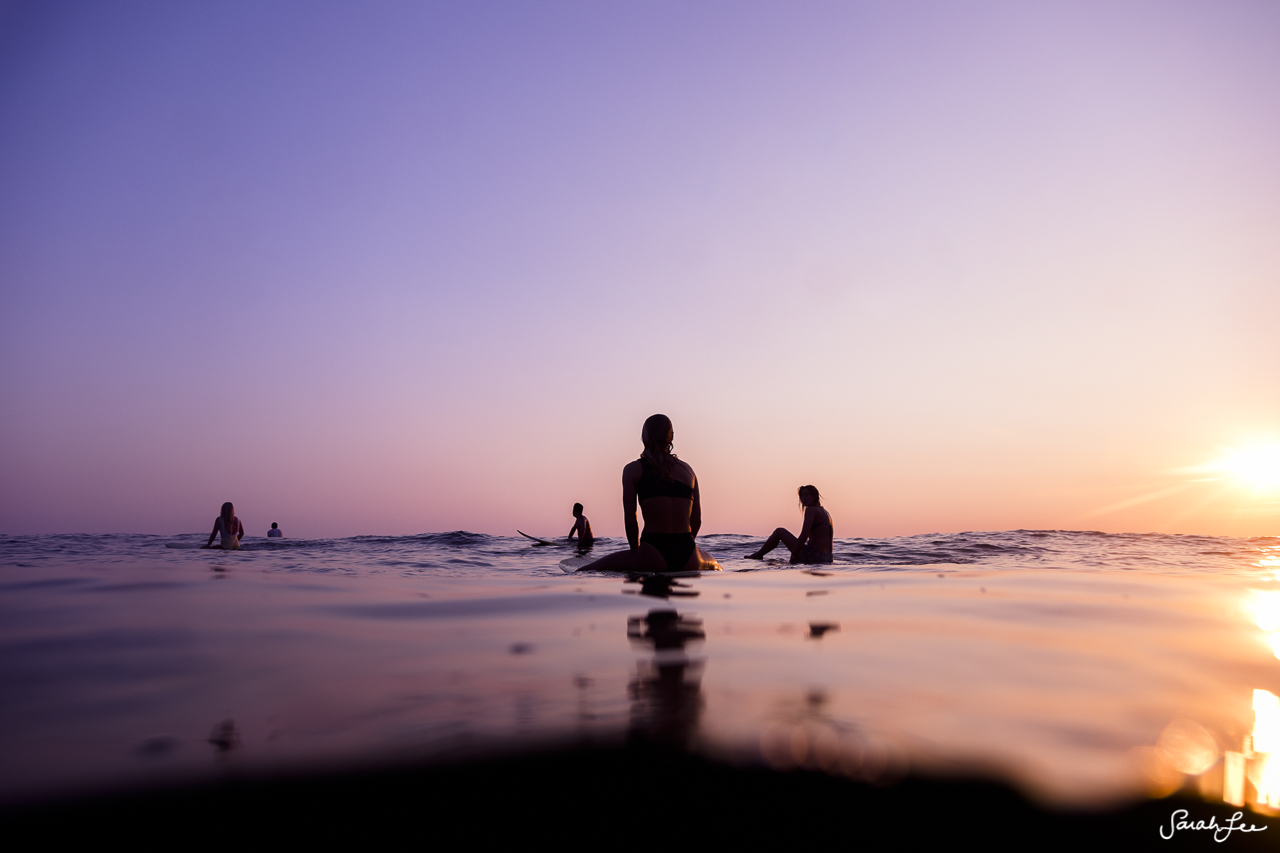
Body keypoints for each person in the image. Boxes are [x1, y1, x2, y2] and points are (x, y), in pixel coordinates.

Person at [578, 414, 720, 573]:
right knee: (716, 565)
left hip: (653, 552)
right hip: (689, 554)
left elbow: (631, 520)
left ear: (643, 437)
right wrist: (682, 549)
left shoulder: (632, 470)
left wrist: (636, 555)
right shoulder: (689, 472)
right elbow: (697, 520)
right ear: (671, 436)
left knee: (583, 571)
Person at [746, 485, 833, 564]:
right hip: (828, 558)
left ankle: (758, 554)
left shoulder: (811, 510)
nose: (803, 498)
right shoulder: (825, 512)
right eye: (801, 496)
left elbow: (804, 535)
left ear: (814, 496)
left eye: (806, 495)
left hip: (814, 557)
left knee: (779, 531)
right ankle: (759, 554)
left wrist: (794, 554)